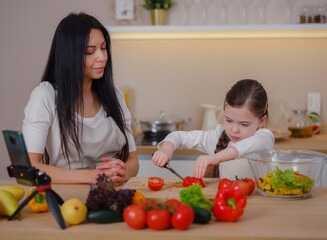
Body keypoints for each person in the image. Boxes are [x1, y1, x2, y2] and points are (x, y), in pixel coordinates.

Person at [22, 12, 138, 185]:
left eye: (103, 48)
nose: (102, 57)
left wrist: (122, 171)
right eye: (90, 51)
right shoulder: (45, 96)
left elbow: (133, 161)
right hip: (66, 199)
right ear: (69, 55)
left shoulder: (114, 95)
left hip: (113, 195)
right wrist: (91, 176)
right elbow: (29, 166)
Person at [152, 79, 274, 179]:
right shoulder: (217, 137)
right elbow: (179, 136)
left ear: (261, 121)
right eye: (229, 120)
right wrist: (166, 149)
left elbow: (244, 147)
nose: (234, 130)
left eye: (244, 124)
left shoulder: (265, 138)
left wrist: (215, 158)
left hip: (259, 206)